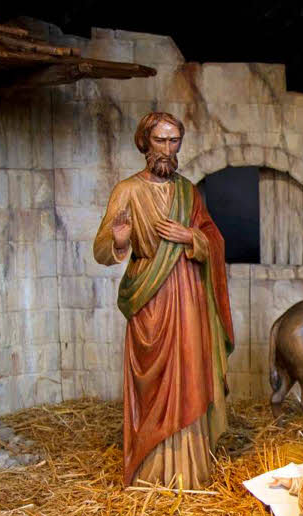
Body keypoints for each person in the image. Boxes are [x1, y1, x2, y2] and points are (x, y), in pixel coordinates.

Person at [94, 111, 233, 489]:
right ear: (145, 142)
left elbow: (214, 240)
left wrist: (192, 238)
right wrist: (120, 240)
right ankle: (150, 468)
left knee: (190, 373)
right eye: (161, 140)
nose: (168, 149)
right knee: (152, 382)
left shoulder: (189, 192)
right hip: (150, 299)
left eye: (174, 141)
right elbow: (102, 250)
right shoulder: (127, 191)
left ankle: (190, 469)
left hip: (189, 298)